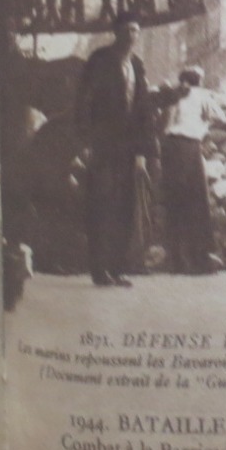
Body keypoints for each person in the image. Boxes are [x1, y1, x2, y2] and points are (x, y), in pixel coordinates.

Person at [75, 15, 162, 287]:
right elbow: (84, 101)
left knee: (125, 206)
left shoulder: (136, 65)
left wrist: (147, 152)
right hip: (102, 145)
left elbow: (144, 110)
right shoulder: (100, 60)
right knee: (101, 205)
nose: (132, 36)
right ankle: (100, 270)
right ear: (116, 33)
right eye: (126, 31)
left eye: (136, 30)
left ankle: (117, 267)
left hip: (127, 148)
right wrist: (85, 141)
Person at [157, 67, 226, 275]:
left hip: (173, 147)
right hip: (191, 148)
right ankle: (200, 259)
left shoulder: (174, 96)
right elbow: (221, 117)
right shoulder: (202, 96)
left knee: (175, 201)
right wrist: (204, 125)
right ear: (199, 82)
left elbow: (166, 124)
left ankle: (178, 260)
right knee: (197, 201)